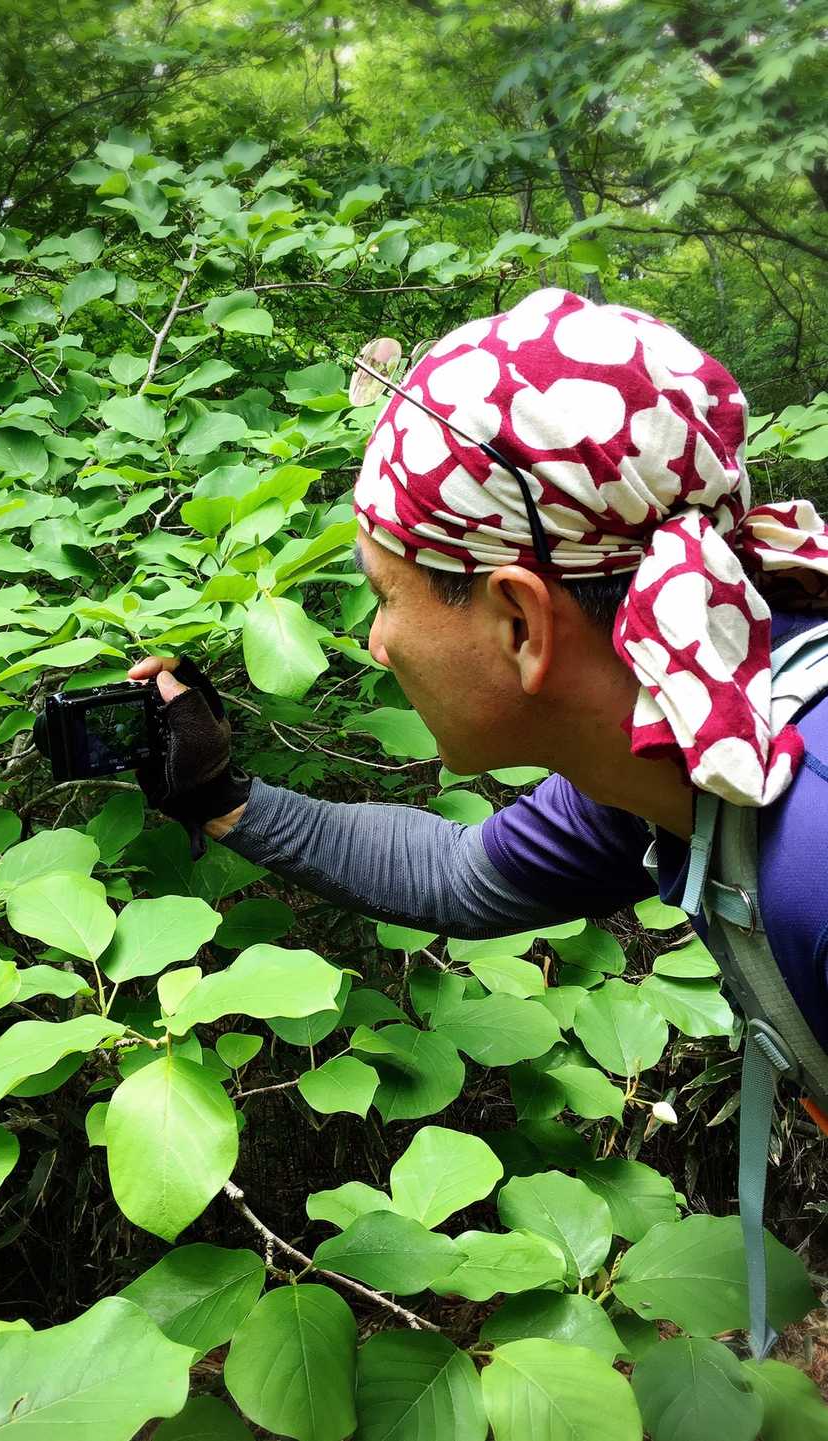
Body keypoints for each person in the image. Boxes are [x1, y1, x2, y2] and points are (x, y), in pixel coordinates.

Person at [129, 287, 828, 1052]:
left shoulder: (815, 856)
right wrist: (216, 794)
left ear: (521, 623)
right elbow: (456, 875)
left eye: (385, 597)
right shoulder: (688, 730)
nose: (377, 642)